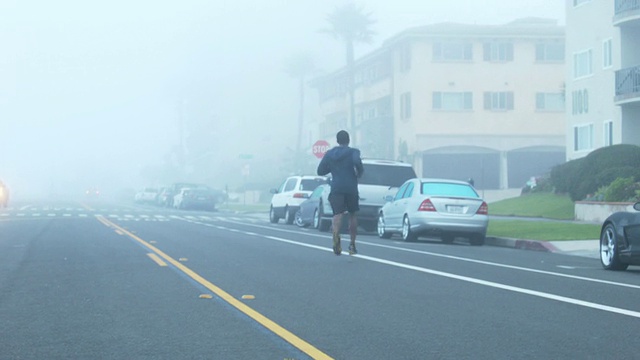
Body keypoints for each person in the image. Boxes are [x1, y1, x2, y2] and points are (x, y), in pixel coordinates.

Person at [317, 130, 364, 255]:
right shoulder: (354, 152)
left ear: (337, 141)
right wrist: (359, 173)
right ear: (348, 140)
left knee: (337, 214)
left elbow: (320, 170)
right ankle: (352, 244)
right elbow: (357, 163)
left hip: (336, 187)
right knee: (352, 214)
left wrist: (332, 168)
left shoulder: (330, 154)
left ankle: (336, 238)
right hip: (351, 187)